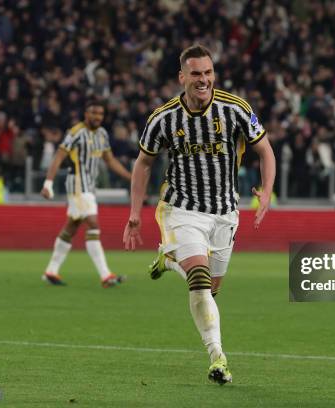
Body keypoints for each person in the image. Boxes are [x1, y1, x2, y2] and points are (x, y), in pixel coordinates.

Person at [122, 45, 276, 385]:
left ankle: (168, 258)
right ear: (182, 78)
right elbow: (143, 163)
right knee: (200, 280)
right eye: (196, 74)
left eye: (208, 73)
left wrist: (266, 192)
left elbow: (265, 150)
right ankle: (217, 358)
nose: (203, 80)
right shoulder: (163, 118)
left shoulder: (236, 109)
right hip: (181, 210)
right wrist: (135, 212)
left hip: (225, 213)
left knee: (210, 290)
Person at [41, 100, 131, 288]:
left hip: (89, 187)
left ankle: (51, 271)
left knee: (71, 228)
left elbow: (110, 160)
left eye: (100, 114)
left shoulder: (102, 134)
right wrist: (48, 183)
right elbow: (59, 155)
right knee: (93, 223)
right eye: (93, 113)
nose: (97, 117)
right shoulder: (76, 132)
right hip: (76, 185)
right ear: (86, 113)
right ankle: (106, 275)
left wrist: (131, 177)